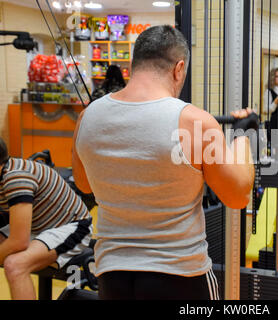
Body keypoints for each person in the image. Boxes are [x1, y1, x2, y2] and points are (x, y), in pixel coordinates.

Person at [72, 25, 256, 300]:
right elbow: (238, 196)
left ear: (134, 64)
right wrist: (243, 133)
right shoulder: (195, 122)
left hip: (113, 277)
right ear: (178, 68)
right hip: (180, 276)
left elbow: (84, 185)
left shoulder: (86, 118)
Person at [0, 137, 92, 300]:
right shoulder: (4, 171)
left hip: (72, 228)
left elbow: (18, 242)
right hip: (38, 225)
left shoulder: (16, 179)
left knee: (15, 265)